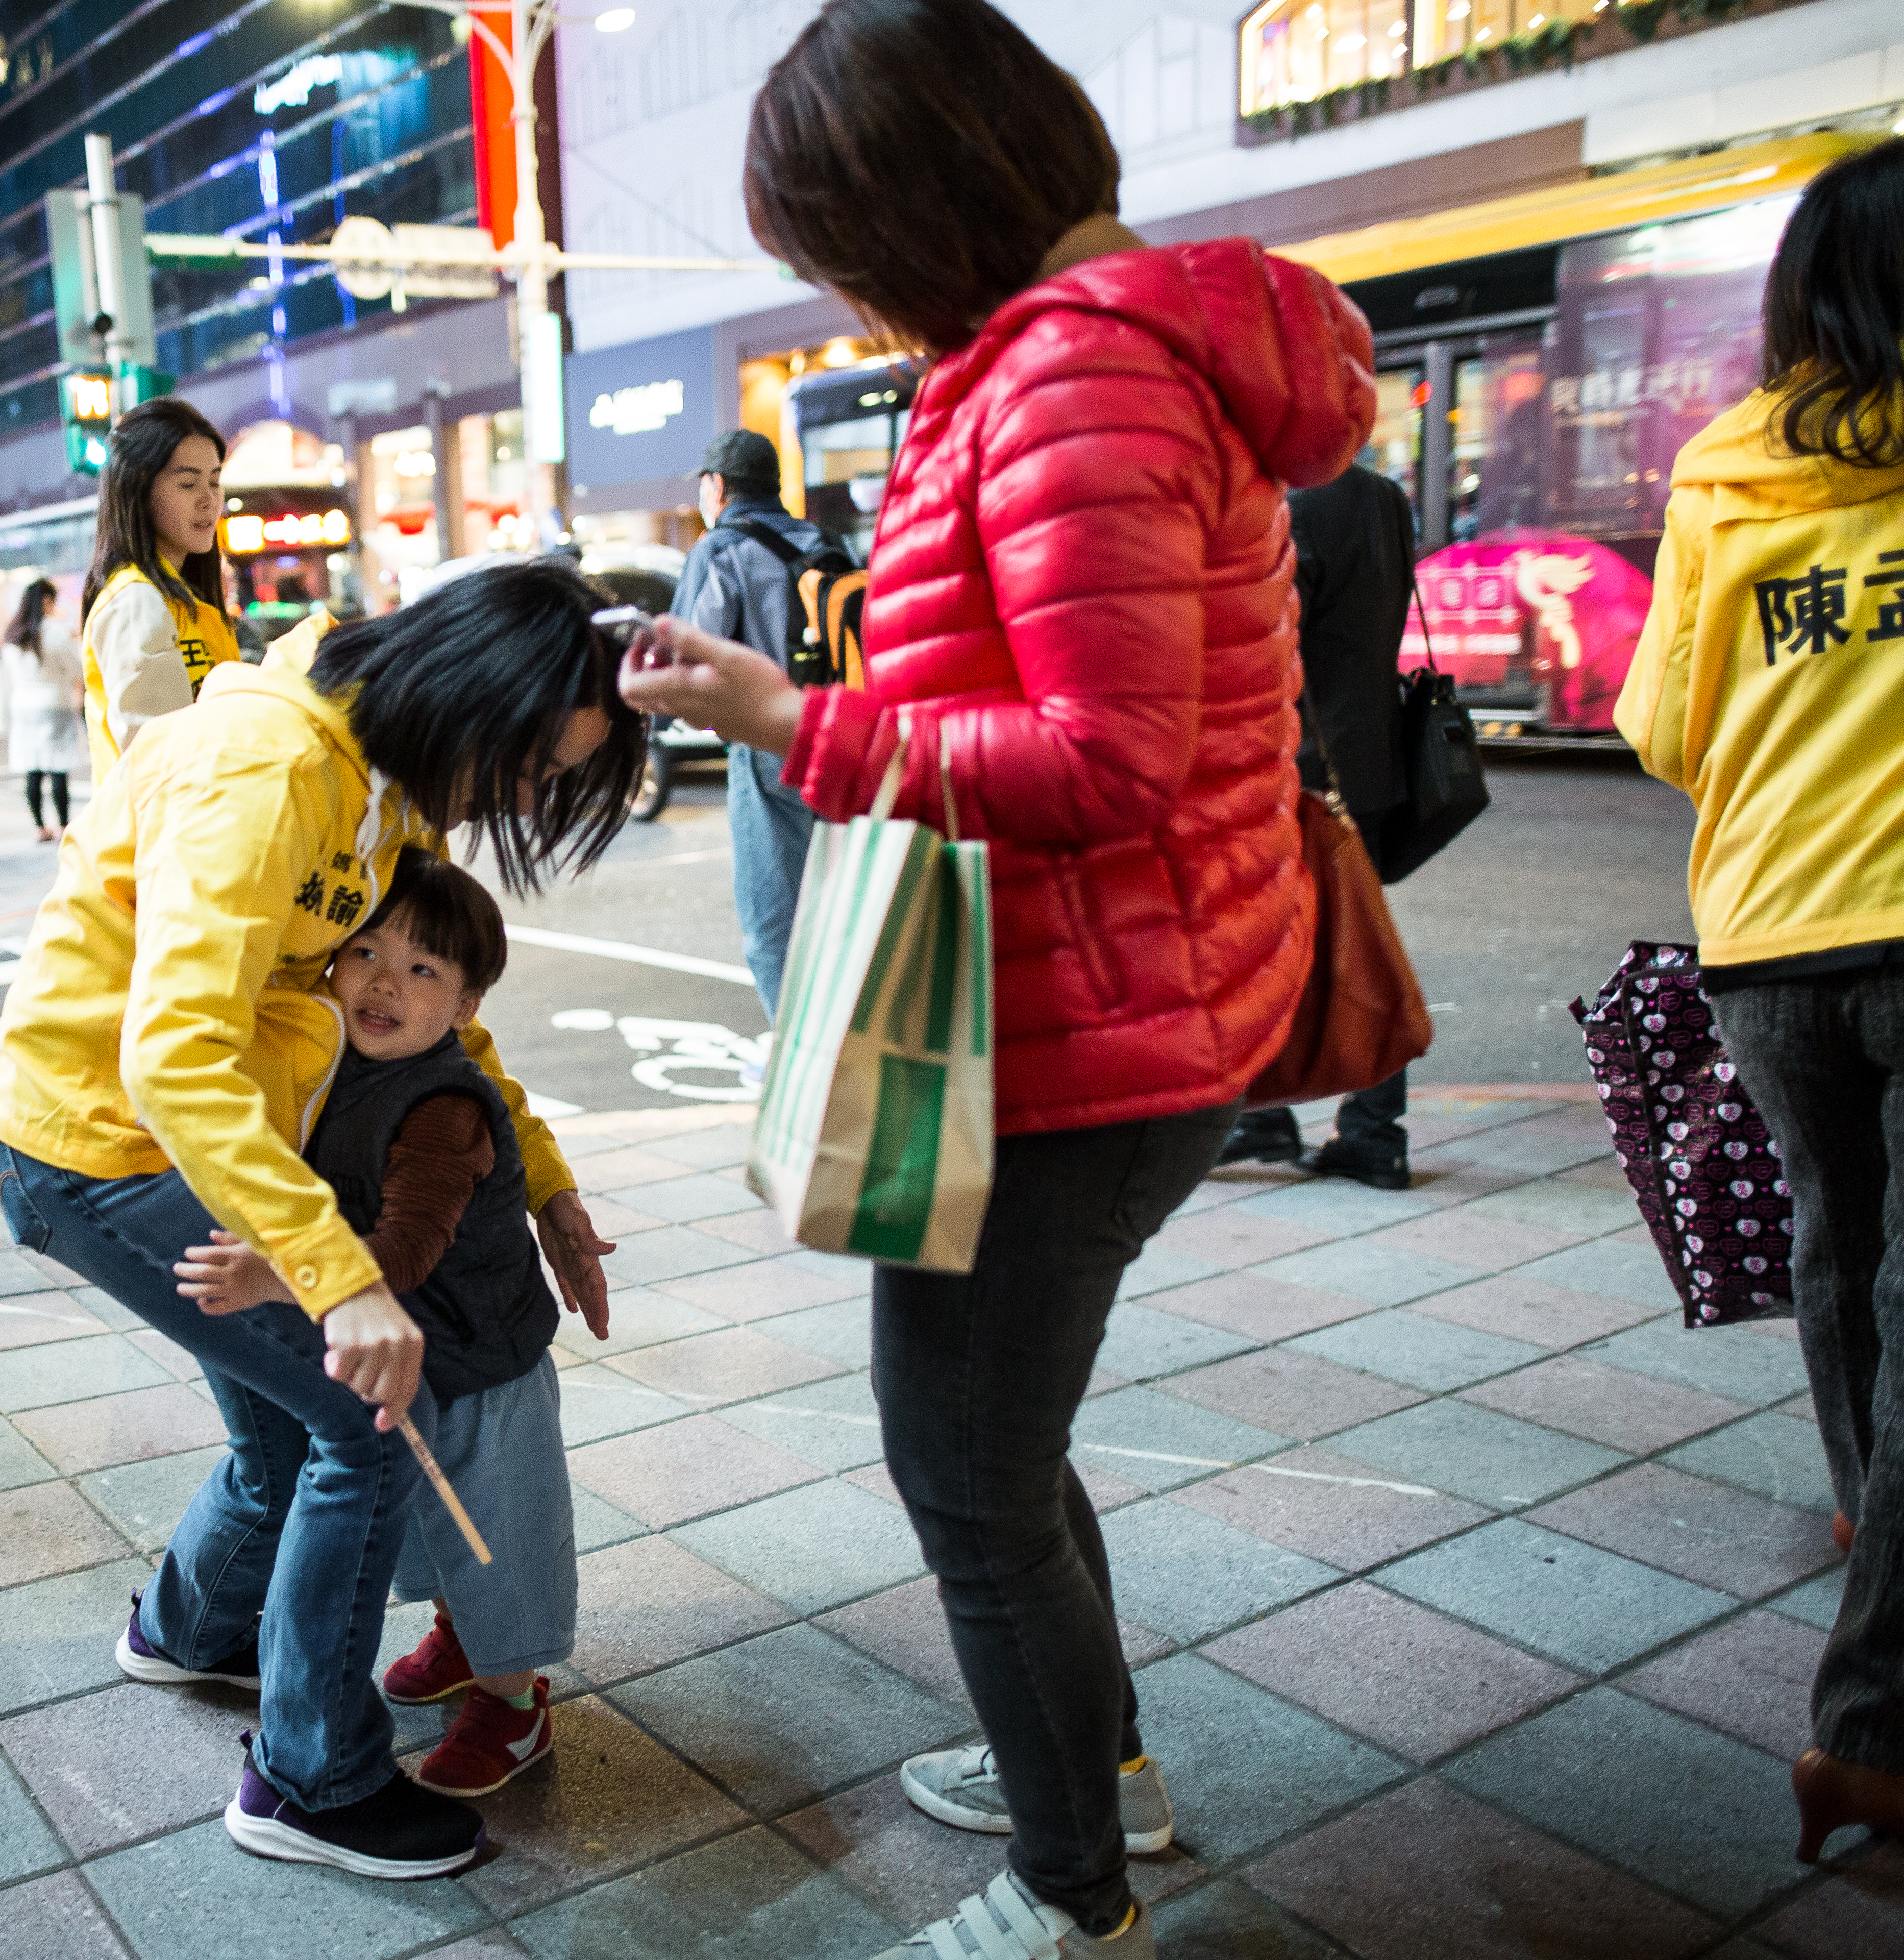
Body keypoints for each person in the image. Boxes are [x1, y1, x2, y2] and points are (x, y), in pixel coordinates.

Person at [619, 5, 1373, 1952]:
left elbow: (1101, 759)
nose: (839, 292)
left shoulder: (1078, 382)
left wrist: (799, 720)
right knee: (998, 1457)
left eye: (831, 247)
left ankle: (1070, 1893)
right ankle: (1090, 1767)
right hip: (1098, 999)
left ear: (916, 199)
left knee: (961, 1476)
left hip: (1087, 1030)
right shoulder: (1062, 361)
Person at [0, 561, 638, 1880]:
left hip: (192, 1147)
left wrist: (547, 1181)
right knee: (363, 1427)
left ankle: (191, 1633)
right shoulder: (272, 767)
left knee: (287, 1435)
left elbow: (465, 1029)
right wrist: (341, 1282)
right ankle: (313, 1784)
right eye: (525, 768)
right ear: (473, 699)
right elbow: (173, 1059)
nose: (519, 800)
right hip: (100, 1151)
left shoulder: (384, 781)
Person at [1615, 135, 1904, 1864]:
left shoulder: (1730, 478)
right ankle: (1869, 1723)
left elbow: (1662, 727)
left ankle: (1879, 1522)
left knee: (1833, 1239)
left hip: (1777, 938)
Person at [178, 851, 580, 1799]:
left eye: (425, 970)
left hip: (483, 1366)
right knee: (430, 1527)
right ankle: (458, 1634)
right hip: (411, 1361)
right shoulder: (336, 1065)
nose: (386, 981)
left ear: (468, 1009)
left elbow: (403, 1252)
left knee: (495, 1535)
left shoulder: (443, 1104)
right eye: (367, 951)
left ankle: (515, 1703)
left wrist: (276, 1276)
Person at [1219, 461, 1419, 1188]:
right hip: (1371, 756)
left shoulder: (1289, 504)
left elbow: (1274, 644)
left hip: (1305, 765)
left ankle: (1265, 1114)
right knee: (1357, 936)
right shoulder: (1382, 496)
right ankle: (1370, 1130)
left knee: (1279, 942)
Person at [671, 426, 839, 1027]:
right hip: (845, 740)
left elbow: (686, 655)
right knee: (839, 915)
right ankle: (847, 1043)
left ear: (717, 486)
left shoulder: (720, 550)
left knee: (773, 924)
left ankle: (804, 1061)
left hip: (769, 750)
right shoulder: (823, 541)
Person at [79, 396, 239, 783]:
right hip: (169, 833)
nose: (209, 501)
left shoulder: (182, 600)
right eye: (188, 483)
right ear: (137, 489)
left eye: (215, 481)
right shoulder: (136, 600)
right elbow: (160, 762)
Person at [0, 576, 81, 840]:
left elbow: (6, 678)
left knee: (32, 768)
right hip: (54, 702)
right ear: (47, 601)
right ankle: (63, 826)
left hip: (23, 706)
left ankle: (39, 827)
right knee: (58, 766)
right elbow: (76, 667)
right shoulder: (55, 632)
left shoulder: (15, 635)